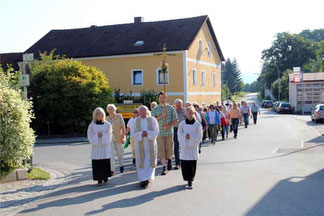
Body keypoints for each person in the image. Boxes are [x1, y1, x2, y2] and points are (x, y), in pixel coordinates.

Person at [131, 106, 159, 188]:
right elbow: (133, 132)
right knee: (141, 161)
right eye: (141, 111)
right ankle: (142, 179)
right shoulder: (135, 121)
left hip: (150, 143)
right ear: (139, 112)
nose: (142, 113)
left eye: (144, 111)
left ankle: (148, 178)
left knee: (150, 160)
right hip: (140, 144)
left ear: (147, 111)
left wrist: (148, 133)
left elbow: (156, 130)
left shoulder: (152, 120)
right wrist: (140, 134)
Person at [151, 92, 178, 175]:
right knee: (161, 150)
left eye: (163, 97)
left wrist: (169, 126)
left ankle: (169, 160)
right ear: (158, 98)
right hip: (159, 133)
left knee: (169, 148)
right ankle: (164, 166)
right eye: (160, 97)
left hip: (169, 132)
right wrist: (161, 116)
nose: (162, 99)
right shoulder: (155, 109)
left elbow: (176, 120)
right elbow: (152, 120)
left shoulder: (170, 108)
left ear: (166, 98)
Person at [178, 106, 203, 189]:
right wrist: (185, 136)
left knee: (191, 164)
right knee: (185, 164)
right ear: (186, 113)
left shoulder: (197, 124)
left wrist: (191, 137)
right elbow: (179, 134)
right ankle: (186, 178)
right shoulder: (182, 124)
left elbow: (199, 135)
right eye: (187, 112)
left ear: (193, 113)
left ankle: (190, 180)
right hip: (185, 148)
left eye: (190, 112)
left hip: (192, 148)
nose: (189, 114)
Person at [87, 107, 112, 185]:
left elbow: (109, 134)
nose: (99, 115)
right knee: (97, 162)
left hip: (104, 146)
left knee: (104, 161)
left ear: (103, 114)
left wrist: (102, 135)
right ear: (95, 115)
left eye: (100, 114)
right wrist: (97, 136)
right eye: (97, 114)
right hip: (96, 147)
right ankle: (99, 178)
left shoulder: (107, 124)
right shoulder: (92, 125)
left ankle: (105, 177)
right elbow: (90, 135)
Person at [106, 104, 126, 175]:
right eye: (109, 109)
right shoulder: (106, 118)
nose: (110, 110)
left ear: (115, 109)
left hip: (119, 137)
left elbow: (123, 127)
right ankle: (112, 170)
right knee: (111, 154)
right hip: (110, 138)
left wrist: (123, 137)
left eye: (112, 109)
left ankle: (121, 166)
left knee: (120, 153)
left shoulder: (119, 116)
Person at [173, 99, 186, 170]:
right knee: (176, 147)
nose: (178, 107)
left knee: (184, 146)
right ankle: (177, 163)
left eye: (179, 105)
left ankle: (184, 161)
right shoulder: (173, 111)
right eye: (177, 105)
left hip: (184, 130)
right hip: (175, 129)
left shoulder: (185, 111)